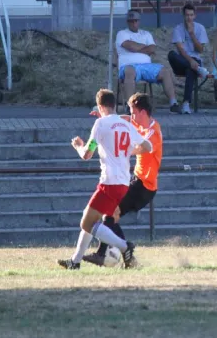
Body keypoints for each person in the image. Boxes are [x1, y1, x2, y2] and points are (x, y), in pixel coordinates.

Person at [57, 89, 152, 270]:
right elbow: (147, 146)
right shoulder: (126, 124)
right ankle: (75, 261)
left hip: (109, 182)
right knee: (91, 219)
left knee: (86, 222)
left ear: (100, 107)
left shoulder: (100, 123)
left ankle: (125, 247)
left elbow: (87, 154)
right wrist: (127, 151)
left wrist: (78, 146)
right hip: (124, 183)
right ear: (114, 105)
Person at [83, 93, 162, 267]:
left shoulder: (152, 132)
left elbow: (142, 149)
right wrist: (106, 116)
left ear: (142, 112)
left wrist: (119, 149)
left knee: (110, 214)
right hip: (136, 180)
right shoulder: (138, 124)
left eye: (133, 112)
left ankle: (112, 253)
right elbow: (123, 119)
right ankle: (124, 256)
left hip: (145, 186)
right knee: (110, 215)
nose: (131, 116)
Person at [116, 9, 179, 114]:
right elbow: (129, 46)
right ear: (127, 22)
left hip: (146, 66)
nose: (134, 23)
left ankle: (174, 103)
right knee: (130, 71)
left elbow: (152, 49)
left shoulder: (146, 34)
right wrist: (145, 47)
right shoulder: (121, 34)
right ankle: (130, 106)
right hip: (128, 66)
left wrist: (137, 47)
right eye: (131, 21)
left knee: (165, 71)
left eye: (136, 20)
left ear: (139, 21)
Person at [168, 4, 210, 114]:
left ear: (195, 16)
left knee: (190, 70)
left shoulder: (200, 28)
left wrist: (192, 34)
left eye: (191, 15)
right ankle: (198, 69)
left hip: (195, 60)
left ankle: (186, 103)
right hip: (181, 61)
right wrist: (190, 61)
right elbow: (180, 50)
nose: (189, 18)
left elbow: (200, 50)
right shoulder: (178, 28)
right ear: (183, 16)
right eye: (187, 15)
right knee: (171, 54)